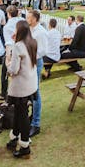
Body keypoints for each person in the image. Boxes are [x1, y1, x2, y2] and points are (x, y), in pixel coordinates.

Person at [6, 20, 39, 158]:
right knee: (20, 113)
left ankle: (24, 144)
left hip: (21, 86)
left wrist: (8, 60)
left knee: (22, 115)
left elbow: (13, 69)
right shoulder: (32, 42)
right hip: (30, 83)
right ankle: (15, 137)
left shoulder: (19, 46)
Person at [27, 10, 47, 138]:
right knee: (30, 91)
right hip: (28, 63)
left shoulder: (41, 32)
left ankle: (36, 123)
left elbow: (42, 51)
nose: (26, 18)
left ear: (35, 18)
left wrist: (30, 57)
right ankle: (32, 116)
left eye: (29, 17)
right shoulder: (30, 29)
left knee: (36, 92)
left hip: (36, 62)